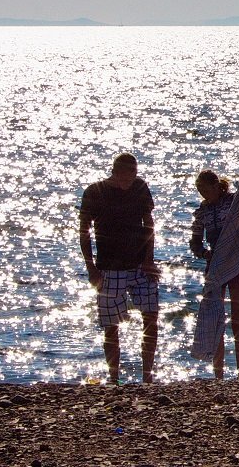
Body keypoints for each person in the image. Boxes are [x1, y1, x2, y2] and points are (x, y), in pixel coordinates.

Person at [79, 152, 160, 384]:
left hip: (139, 264)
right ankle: (114, 377)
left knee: (151, 316)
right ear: (116, 172)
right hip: (109, 265)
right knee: (111, 325)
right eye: (127, 175)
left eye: (134, 174)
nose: (130, 180)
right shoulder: (95, 192)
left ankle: (147, 375)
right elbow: (84, 231)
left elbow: (149, 224)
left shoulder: (140, 187)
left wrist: (149, 259)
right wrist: (91, 267)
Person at [190, 164, 239, 379]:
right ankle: (218, 375)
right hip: (215, 267)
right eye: (200, 191)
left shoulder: (233, 203)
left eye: (206, 190)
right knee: (215, 319)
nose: (203, 194)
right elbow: (195, 242)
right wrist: (205, 254)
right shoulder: (202, 211)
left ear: (217, 186)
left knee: (238, 320)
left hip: (237, 265)